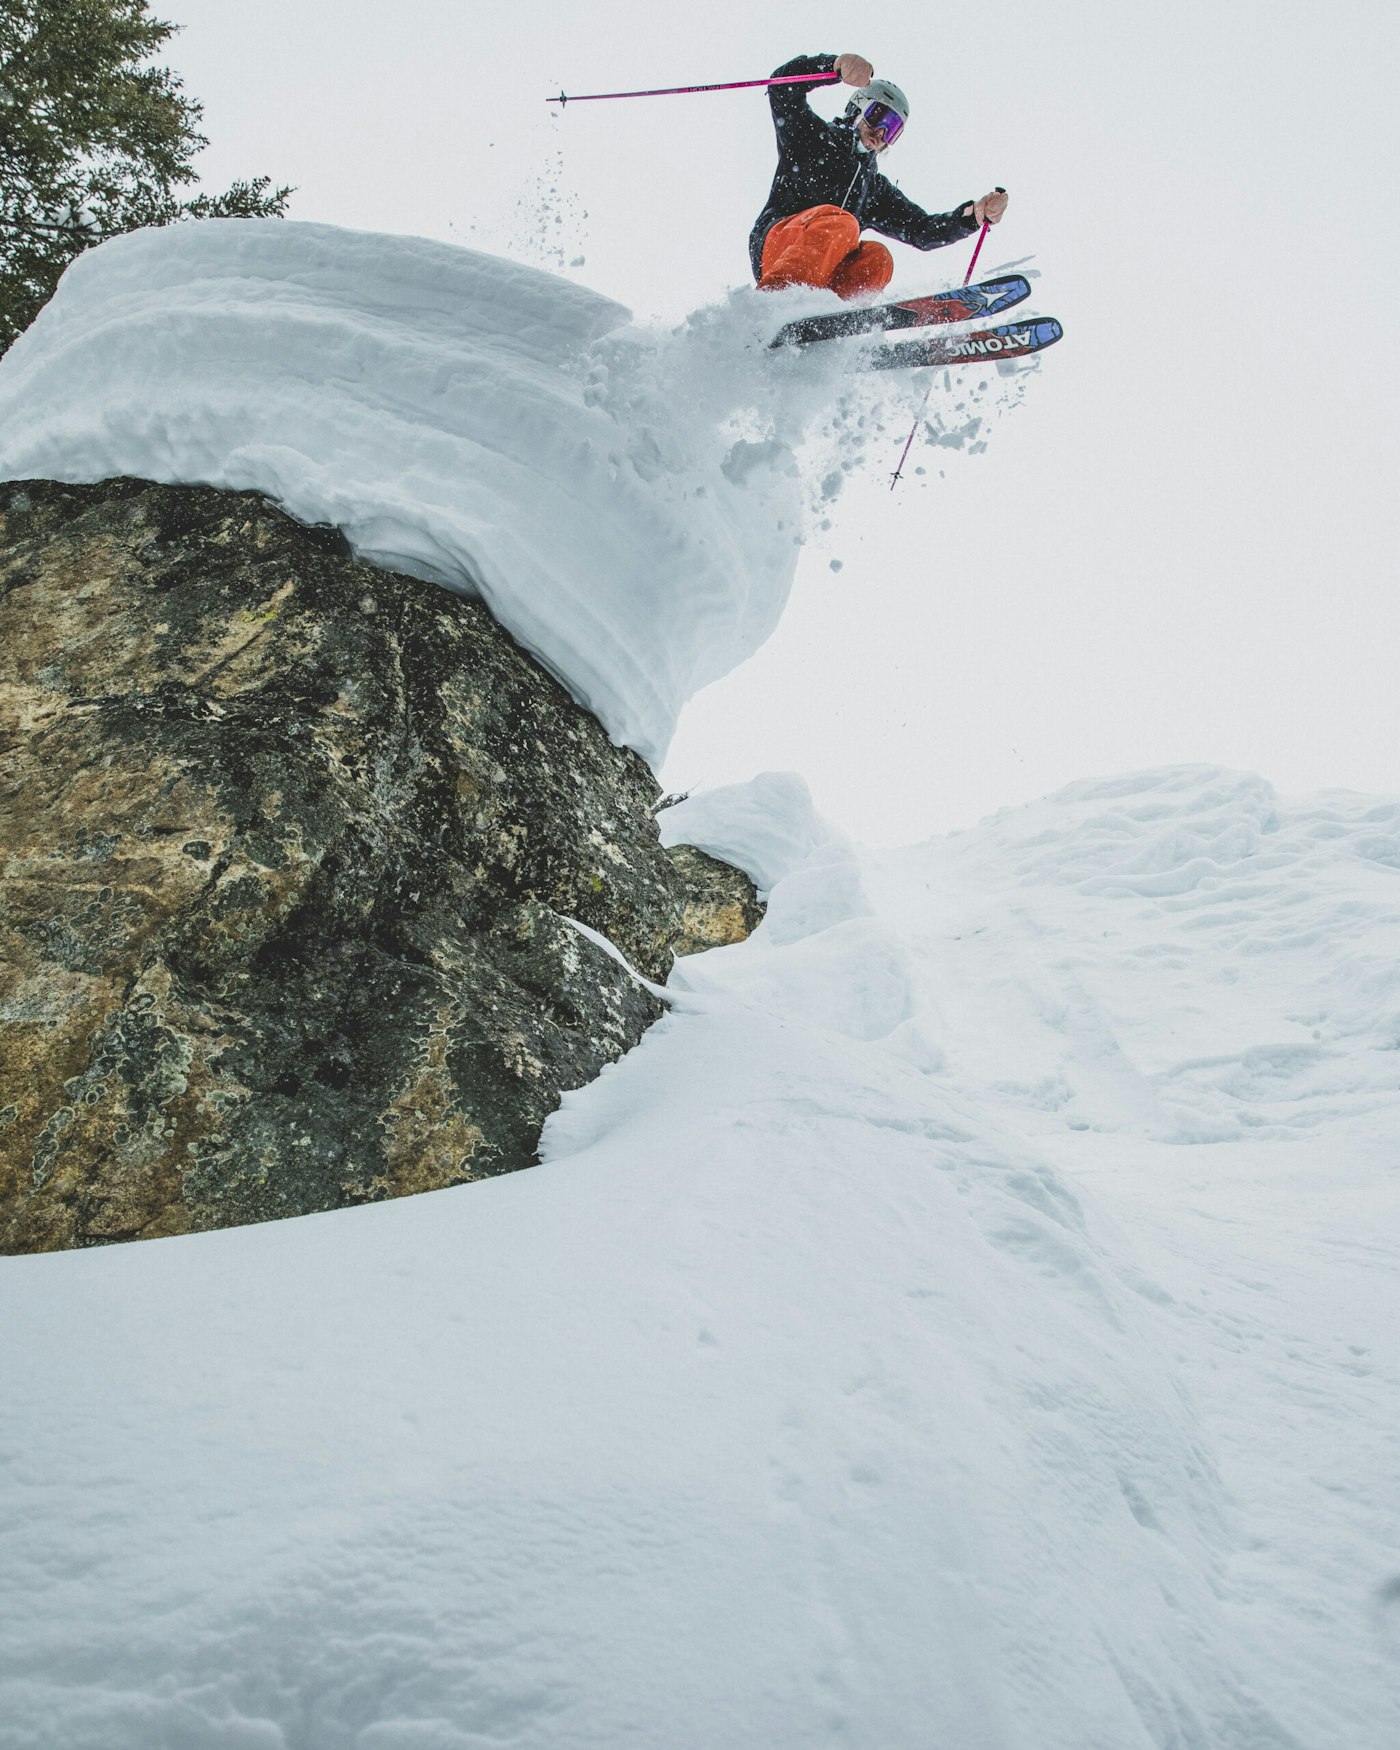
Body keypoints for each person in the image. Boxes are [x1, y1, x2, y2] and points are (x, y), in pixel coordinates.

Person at [750, 52, 1009, 301]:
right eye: (879, 117)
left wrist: (972, 217)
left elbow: (921, 230)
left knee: (877, 258)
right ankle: (774, 302)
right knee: (842, 224)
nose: (881, 133)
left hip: (821, 273)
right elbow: (781, 88)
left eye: (893, 129)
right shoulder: (812, 139)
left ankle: (831, 327)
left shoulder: (872, 189)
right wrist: (833, 66)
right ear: (857, 108)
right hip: (778, 245)